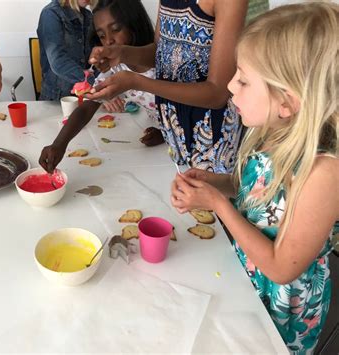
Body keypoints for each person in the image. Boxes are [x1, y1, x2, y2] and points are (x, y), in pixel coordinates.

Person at [170, 3, 338, 353]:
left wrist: (218, 205)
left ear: (287, 101)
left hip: (282, 309)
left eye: (243, 79)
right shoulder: (273, 132)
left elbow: (280, 267)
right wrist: (215, 183)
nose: (230, 85)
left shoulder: (324, 173)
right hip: (247, 277)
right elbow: (255, 190)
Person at [86, 0, 247, 173]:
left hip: (214, 137)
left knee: (215, 196)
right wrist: (122, 53)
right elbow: (159, 52)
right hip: (177, 130)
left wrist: (136, 81)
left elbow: (217, 94)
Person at [39, 0, 163, 173]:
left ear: (134, 23)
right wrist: (58, 144)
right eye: (102, 36)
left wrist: (168, 133)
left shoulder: (165, 60)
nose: (109, 41)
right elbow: (87, 107)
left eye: (116, 29)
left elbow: (189, 104)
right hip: (166, 142)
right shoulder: (117, 67)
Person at [37, 0, 98, 101]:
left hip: (85, 94)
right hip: (57, 97)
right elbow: (58, 61)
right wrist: (93, 82)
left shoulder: (88, 15)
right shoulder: (51, 13)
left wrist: (103, 85)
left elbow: (96, 55)